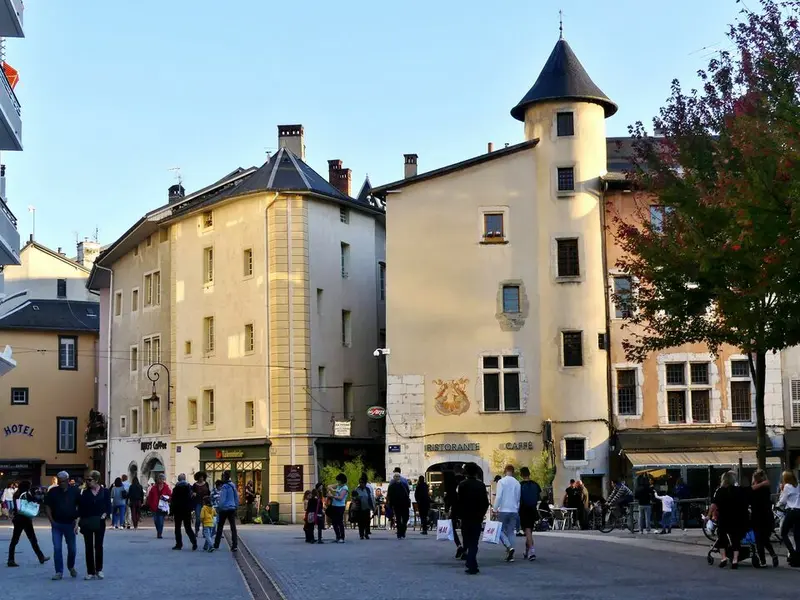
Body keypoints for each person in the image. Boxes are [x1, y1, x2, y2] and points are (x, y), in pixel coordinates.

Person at [44, 470, 81, 580]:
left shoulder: (75, 491)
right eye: (60, 481)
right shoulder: (53, 492)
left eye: (63, 481)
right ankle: (59, 571)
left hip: (70, 524)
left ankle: (71, 566)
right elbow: (47, 507)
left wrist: (77, 523)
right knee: (57, 548)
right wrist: (52, 521)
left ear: (68, 481)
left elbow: (80, 507)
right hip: (57, 524)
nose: (61, 484)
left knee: (72, 549)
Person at [7, 480, 50, 567]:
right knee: (32, 539)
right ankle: (41, 557)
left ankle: (11, 559)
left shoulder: (16, 494)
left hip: (18, 519)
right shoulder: (26, 494)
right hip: (25, 519)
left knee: (15, 540)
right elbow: (35, 500)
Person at [711, 471, 749, 569]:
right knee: (735, 538)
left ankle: (723, 558)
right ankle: (735, 559)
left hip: (724, 517)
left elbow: (714, 504)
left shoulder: (720, 491)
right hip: (737, 518)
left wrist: (708, 516)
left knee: (721, 536)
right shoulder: (739, 490)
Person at [457, 463, 489, 575]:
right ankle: (472, 563)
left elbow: (459, 502)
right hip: (477, 517)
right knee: (474, 542)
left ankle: (471, 563)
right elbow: (485, 502)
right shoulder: (481, 485)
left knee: (467, 540)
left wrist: (459, 515)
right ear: (476, 472)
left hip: (465, 517)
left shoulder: (462, 485)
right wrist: (482, 514)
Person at [78, 470, 111, 580]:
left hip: (100, 522)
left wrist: (105, 514)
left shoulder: (105, 492)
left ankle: (99, 570)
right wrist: (78, 523)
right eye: (86, 480)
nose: (87, 482)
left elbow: (108, 506)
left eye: (90, 480)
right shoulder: (84, 492)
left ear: (96, 480)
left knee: (98, 546)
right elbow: (80, 509)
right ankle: (90, 571)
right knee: (88, 547)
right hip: (87, 521)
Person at [751, 470, 779, 568]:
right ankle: (773, 554)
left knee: (759, 540)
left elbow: (750, 491)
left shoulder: (754, 490)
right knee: (765, 539)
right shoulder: (766, 489)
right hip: (767, 516)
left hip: (757, 517)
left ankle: (763, 561)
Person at [494, 464, 520, 562]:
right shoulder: (517, 483)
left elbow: (499, 496)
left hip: (504, 509)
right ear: (513, 472)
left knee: (499, 530)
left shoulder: (501, 482)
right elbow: (518, 498)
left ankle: (509, 547)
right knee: (510, 532)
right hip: (514, 510)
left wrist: (495, 508)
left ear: (505, 471)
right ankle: (511, 554)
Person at [518, 467, 541, 561]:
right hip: (533, 509)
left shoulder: (520, 485)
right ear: (529, 474)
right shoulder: (535, 484)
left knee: (527, 531)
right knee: (529, 531)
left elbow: (518, 498)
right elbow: (539, 497)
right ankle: (527, 551)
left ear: (521, 475)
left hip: (524, 509)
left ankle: (532, 552)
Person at [214, 470, 240, 552]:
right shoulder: (233, 485)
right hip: (232, 508)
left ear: (224, 477)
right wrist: (235, 506)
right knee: (233, 527)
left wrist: (219, 507)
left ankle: (216, 544)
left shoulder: (224, 486)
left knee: (220, 526)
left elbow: (222, 499)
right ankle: (235, 545)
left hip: (224, 509)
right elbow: (236, 497)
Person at [171, 473, 198, 551]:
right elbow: (192, 498)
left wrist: (172, 511)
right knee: (188, 527)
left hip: (178, 510)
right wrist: (191, 507)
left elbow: (173, 501)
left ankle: (179, 544)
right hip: (186, 510)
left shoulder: (176, 489)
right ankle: (194, 542)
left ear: (178, 480)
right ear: (185, 479)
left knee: (177, 528)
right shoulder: (189, 488)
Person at [779, 469, 800, 565]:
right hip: (799, 511)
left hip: (791, 511)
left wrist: (781, 490)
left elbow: (783, 501)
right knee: (797, 535)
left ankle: (792, 553)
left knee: (783, 532)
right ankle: (798, 557)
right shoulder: (798, 485)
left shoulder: (787, 486)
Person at [146, 473, 171, 539]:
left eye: (162, 479)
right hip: (154, 506)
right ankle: (158, 530)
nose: (161, 480)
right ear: (158, 479)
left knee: (161, 520)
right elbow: (150, 497)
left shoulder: (166, 487)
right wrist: (149, 504)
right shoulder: (153, 487)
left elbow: (170, 496)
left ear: (164, 480)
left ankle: (159, 533)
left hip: (162, 507)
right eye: (160, 479)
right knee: (156, 521)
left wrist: (165, 498)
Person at [387, 472, 410, 539]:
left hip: (404, 504)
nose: (397, 478)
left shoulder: (404, 485)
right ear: (394, 478)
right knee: (398, 519)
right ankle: (399, 533)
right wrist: (390, 505)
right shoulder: (392, 486)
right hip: (397, 505)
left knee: (405, 518)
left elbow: (407, 493)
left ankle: (403, 530)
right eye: (396, 476)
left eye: (398, 476)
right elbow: (390, 496)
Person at [353, 474, 375, 540]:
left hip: (367, 507)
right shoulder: (357, 489)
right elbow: (353, 497)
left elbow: (370, 498)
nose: (361, 484)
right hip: (359, 508)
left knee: (367, 521)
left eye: (362, 482)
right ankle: (361, 534)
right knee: (360, 522)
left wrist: (373, 507)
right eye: (360, 482)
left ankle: (366, 533)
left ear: (365, 483)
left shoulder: (368, 489)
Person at [328, 473, 349, 543]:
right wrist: (333, 489)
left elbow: (340, 498)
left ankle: (342, 537)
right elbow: (329, 486)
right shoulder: (338, 486)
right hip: (334, 505)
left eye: (339, 481)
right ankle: (337, 536)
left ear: (342, 481)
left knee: (339, 522)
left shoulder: (345, 488)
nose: (338, 482)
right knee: (334, 522)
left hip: (340, 507)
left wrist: (332, 496)